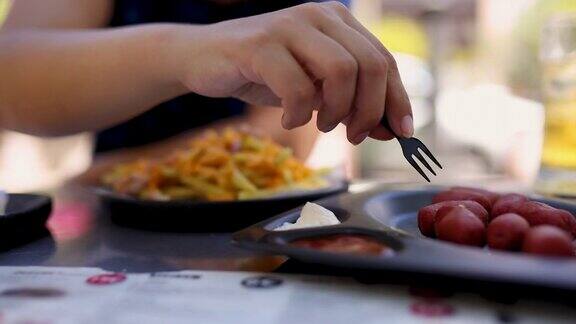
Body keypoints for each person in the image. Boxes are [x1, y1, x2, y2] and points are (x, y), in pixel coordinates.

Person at [0, 0, 413, 161]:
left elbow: (280, 139)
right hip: (117, 247)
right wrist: (185, 52)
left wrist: (111, 172)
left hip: (265, 239)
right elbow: (10, 73)